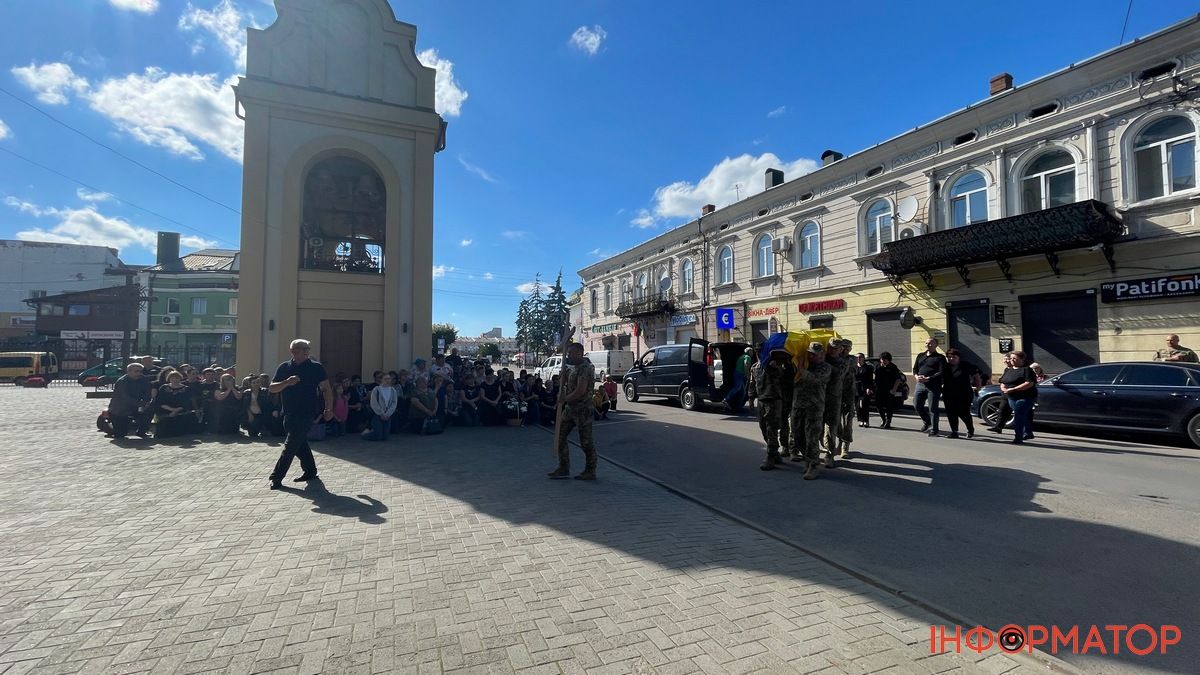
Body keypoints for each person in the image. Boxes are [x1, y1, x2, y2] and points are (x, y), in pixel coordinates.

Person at [268, 339, 333, 489]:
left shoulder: (316, 368)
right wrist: (286, 383)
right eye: (304, 349)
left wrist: (328, 408)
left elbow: (326, 389)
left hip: (307, 413)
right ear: (294, 351)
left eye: (308, 349)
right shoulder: (284, 367)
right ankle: (310, 471)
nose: (307, 351)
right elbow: (272, 388)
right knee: (299, 443)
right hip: (289, 413)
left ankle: (276, 477)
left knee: (290, 445)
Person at [548, 343, 599, 481]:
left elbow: (580, 391)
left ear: (580, 353)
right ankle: (563, 467)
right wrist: (563, 377)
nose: (569, 355)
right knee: (560, 435)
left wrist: (564, 399)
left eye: (572, 353)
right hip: (571, 409)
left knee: (586, 442)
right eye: (568, 352)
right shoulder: (574, 368)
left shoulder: (585, 368)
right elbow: (567, 385)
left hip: (583, 410)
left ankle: (590, 470)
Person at [789, 342, 831, 480]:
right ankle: (808, 459)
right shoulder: (805, 365)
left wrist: (801, 368)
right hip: (798, 406)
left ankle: (813, 465)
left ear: (821, 354)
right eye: (809, 353)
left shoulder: (825, 367)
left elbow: (815, 380)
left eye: (814, 353)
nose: (811, 356)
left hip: (814, 408)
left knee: (812, 437)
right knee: (797, 435)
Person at [749, 349, 789, 470]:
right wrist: (751, 398)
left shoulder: (775, 366)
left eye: (761, 352)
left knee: (772, 428)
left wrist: (776, 367)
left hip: (774, 401)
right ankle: (775, 453)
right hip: (761, 401)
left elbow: (783, 378)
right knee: (763, 428)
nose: (760, 355)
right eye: (758, 353)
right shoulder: (755, 367)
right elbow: (752, 383)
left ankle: (771, 456)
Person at [941, 349, 982, 439]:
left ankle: (970, 429)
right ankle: (954, 431)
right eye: (949, 357)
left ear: (958, 357)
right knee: (951, 413)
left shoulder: (966, 365)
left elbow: (976, 376)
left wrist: (978, 388)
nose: (951, 359)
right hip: (948, 393)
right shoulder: (945, 366)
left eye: (954, 357)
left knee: (963, 412)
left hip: (964, 393)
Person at [999, 351, 1038, 445]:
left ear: (1022, 360)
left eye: (1015, 358)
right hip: (1011, 397)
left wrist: (1014, 389)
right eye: (1011, 358)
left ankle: (1018, 438)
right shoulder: (1008, 370)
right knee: (1022, 415)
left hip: (1026, 397)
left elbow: (1029, 383)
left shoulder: (1027, 370)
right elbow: (1003, 381)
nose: (1012, 360)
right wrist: (1004, 388)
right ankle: (1028, 433)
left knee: (1018, 415)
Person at [822, 339, 849, 466]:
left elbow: (838, 374)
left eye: (835, 348)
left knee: (831, 426)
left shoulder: (843, 363)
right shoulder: (821, 358)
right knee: (818, 427)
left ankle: (829, 454)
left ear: (840, 350)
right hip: (819, 397)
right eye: (831, 348)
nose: (832, 350)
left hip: (834, 398)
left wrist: (822, 362)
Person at [107, 363, 152, 438]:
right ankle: (110, 427)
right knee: (120, 434)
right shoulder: (122, 381)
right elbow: (125, 398)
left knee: (149, 410)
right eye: (136, 371)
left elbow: (147, 393)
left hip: (136, 406)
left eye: (140, 371)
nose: (139, 373)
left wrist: (146, 402)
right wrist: (140, 404)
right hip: (121, 409)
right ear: (129, 371)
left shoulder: (143, 379)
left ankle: (142, 431)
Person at [913, 338, 947, 437]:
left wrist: (929, 378)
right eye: (926, 343)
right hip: (920, 385)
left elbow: (941, 372)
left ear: (936, 345)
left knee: (932, 408)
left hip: (933, 386)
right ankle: (927, 422)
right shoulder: (920, 356)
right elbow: (915, 369)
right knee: (917, 405)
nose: (928, 345)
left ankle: (934, 429)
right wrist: (916, 377)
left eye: (931, 343)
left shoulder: (940, 357)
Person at [154, 370, 193, 438]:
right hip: (165, 409)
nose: (175, 380)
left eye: (177, 378)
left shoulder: (186, 389)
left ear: (180, 378)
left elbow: (187, 402)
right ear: (169, 379)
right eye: (172, 378)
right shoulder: (164, 387)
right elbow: (160, 401)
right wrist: (171, 410)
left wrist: (176, 410)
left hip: (180, 409)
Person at [836, 339, 858, 459]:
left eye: (847, 347)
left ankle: (845, 446)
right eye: (843, 347)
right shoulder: (835, 358)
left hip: (849, 394)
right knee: (836, 422)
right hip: (837, 393)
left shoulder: (852, 359)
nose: (845, 349)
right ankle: (840, 442)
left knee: (847, 422)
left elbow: (850, 370)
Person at [873, 352, 904, 429]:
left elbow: (898, 379)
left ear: (889, 360)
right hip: (879, 389)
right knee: (878, 405)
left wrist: (894, 389)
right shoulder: (877, 366)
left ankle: (888, 421)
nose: (883, 361)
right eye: (882, 359)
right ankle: (883, 419)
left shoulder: (893, 367)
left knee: (889, 407)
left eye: (885, 360)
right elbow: (873, 376)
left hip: (889, 390)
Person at [363, 373, 397, 441]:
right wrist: (381, 413)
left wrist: (388, 413)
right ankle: (365, 434)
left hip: (387, 415)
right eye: (385, 379)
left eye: (389, 379)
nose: (388, 381)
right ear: (381, 380)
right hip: (377, 415)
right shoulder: (376, 390)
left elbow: (394, 403)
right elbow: (374, 403)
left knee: (385, 437)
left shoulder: (393, 390)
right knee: (378, 436)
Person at [854, 353, 875, 428]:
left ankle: (866, 421)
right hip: (856, 388)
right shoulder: (854, 367)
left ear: (863, 358)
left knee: (864, 405)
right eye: (857, 357)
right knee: (857, 406)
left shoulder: (868, 368)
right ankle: (861, 420)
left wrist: (870, 388)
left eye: (860, 357)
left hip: (865, 388)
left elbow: (870, 379)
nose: (858, 359)